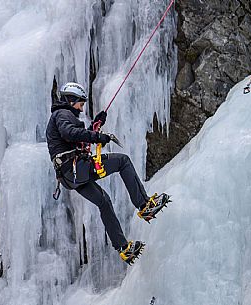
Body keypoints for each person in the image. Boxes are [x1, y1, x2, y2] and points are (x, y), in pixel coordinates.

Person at [45, 82, 170, 265]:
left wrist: (96, 125)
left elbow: (75, 138)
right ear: (71, 100)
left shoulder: (61, 116)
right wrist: (98, 137)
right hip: (74, 167)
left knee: (103, 201)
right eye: (80, 103)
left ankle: (123, 248)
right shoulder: (63, 114)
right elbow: (70, 133)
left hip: (69, 176)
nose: (81, 107)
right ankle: (144, 205)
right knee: (122, 161)